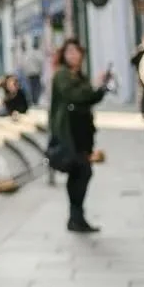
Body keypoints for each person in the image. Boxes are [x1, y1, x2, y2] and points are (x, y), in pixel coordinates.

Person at [48, 37, 109, 234]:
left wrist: (101, 87)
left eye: (76, 52)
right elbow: (76, 95)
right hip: (69, 132)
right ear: (64, 56)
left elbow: (90, 97)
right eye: (69, 52)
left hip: (81, 132)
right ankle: (75, 216)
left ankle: (76, 217)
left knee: (80, 172)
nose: (74, 55)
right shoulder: (63, 75)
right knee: (82, 171)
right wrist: (96, 86)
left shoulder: (78, 75)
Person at [21, 40, 43, 106]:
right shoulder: (36, 53)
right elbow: (40, 62)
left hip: (31, 74)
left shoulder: (27, 54)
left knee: (32, 87)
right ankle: (35, 100)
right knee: (36, 87)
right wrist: (40, 70)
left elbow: (24, 65)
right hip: (35, 73)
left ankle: (34, 100)